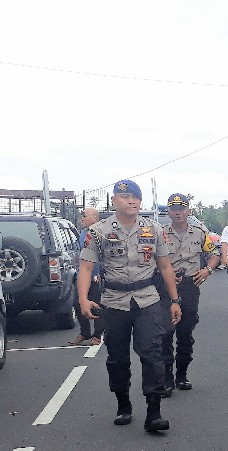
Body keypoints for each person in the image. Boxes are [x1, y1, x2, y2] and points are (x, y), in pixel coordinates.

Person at [78, 180, 181, 433]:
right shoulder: (99, 231)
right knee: (117, 357)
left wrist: (175, 300)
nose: (132, 201)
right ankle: (123, 404)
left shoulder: (154, 229)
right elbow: (86, 267)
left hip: (147, 298)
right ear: (114, 200)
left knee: (152, 353)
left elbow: (165, 266)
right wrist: (83, 298)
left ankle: (154, 412)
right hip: (113, 301)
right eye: (126, 197)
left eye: (136, 197)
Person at [160, 193, 221, 394]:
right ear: (168, 211)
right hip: (166, 288)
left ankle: (182, 375)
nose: (178, 212)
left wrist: (208, 270)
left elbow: (214, 255)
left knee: (185, 333)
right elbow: (150, 259)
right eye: (173, 209)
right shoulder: (160, 233)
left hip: (189, 286)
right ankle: (167, 377)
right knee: (166, 333)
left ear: (189, 211)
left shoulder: (199, 233)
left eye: (181, 208)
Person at [70, 207, 104, 346]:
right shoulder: (83, 233)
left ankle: (97, 335)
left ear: (94, 217)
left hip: (95, 275)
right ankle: (84, 333)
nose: (81, 218)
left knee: (96, 305)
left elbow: (102, 255)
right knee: (78, 304)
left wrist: (98, 272)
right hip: (82, 276)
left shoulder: (100, 232)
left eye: (84, 215)